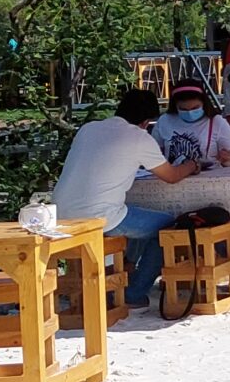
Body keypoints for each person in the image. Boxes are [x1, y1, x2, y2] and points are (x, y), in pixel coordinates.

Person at [52, 88, 200, 308]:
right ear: (146, 121)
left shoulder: (88, 129)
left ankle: (129, 266)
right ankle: (135, 292)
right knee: (169, 227)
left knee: (136, 214)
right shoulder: (139, 137)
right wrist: (191, 165)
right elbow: (171, 176)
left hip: (59, 213)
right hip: (99, 218)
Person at [154, 80, 230, 171]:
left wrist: (227, 159)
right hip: (172, 177)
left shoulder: (218, 122)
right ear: (175, 106)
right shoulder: (164, 121)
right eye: (183, 109)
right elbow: (155, 152)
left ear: (204, 104)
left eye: (195, 108)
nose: (189, 112)